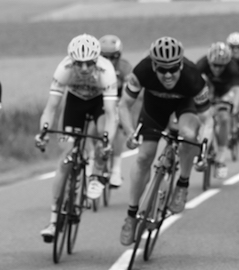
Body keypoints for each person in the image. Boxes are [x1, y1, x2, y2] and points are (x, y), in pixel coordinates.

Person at [118, 36, 211, 246]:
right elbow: (124, 105)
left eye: (173, 68)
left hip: (184, 106)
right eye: (162, 69)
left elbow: (208, 119)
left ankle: (182, 184)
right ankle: (131, 216)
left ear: (181, 63)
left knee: (188, 135)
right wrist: (130, 132)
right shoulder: (142, 71)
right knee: (143, 157)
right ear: (153, 65)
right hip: (154, 109)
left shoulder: (193, 76)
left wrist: (204, 145)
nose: (168, 74)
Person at [35, 34, 119, 243]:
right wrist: (44, 132)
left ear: (96, 60)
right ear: (71, 60)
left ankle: (97, 174)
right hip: (75, 102)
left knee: (101, 134)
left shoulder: (106, 70)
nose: (83, 69)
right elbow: (51, 107)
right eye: (78, 64)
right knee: (66, 159)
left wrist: (107, 141)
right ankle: (54, 220)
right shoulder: (63, 69)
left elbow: (111, 114)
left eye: (88, 63)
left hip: (99, 102)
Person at [195, 42, 239, 179]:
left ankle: (221, 156)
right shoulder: (202, 64)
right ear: (209, 61)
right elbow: (191, 83)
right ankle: (203, 149)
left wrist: (235, 105)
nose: (217, 69)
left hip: (224, 93)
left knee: (224, 118)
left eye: (221, 66)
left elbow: (237, 89)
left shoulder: (232, 67)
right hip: (207, 91)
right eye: (214, 65)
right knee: (200, 117)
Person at [98, 34, 133, 188]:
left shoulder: (125, 68)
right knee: (95, 128)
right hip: (99, 100)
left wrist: (119, 105)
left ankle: (116, 170)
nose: (110, 61)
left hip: (117, 100)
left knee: (117, 128)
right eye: (105, 57)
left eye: (114, 57)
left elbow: (128, 94)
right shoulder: (96, 67)